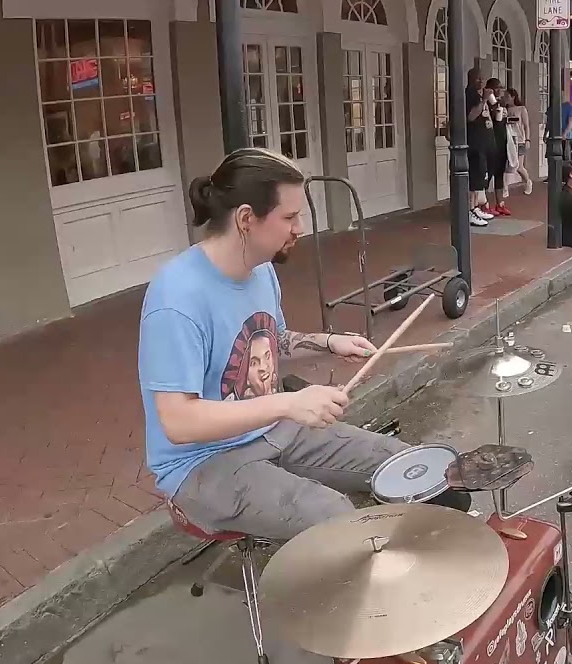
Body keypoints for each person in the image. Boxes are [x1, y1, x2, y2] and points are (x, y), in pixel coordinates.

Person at [138, 148, 471, 541]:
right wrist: (289, 403)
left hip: (272, 430)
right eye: (290, 217)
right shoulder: (177, 299)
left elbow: (274, 340)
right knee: (336, 519)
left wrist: (329, 342)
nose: (300, 228)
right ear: (246, 219)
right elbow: (178, 422)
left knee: (410, 466)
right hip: (202, 464)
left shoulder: (260, 271)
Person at [465, 68, 496, 226]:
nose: (481, 82)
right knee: (474, 178)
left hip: (484, 144)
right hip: (474, 144)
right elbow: (470, 116)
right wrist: (483, 100)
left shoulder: (479, 95)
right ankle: (469, 210)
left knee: (479, 179)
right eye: (478, 79)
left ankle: (476, 207)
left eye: (482, 79)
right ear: (470, 78)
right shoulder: (469, 95)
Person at [484, 78, 511, 216]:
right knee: (487, 175)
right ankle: (483, 204)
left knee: (499, 174)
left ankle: (500, 204)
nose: (499, 90)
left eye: (501, 87)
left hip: (501, 141)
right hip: (490, 142)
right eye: (496, 88)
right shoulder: (487, 103)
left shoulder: (501, 103)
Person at [504, 88, 533, 195]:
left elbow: (526, 126)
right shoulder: (504, 109)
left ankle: (528, 182)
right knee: (507, 165)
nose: (505, 98)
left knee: (519, 166)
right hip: (508, 140)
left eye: (507, 96)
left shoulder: (521, 109)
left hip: (519, 140)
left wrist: (527, 139)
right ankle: (505, 188)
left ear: (513, 97)